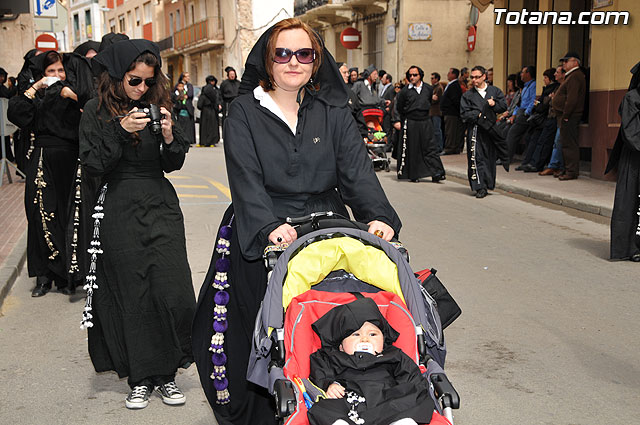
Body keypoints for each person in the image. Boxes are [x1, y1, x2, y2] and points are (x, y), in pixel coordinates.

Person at [191, 18, 402, 425]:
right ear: (268, 61)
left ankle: (328, 404)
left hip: (324, 224)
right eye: (282, 54)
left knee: (328, 320)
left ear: (315, 61)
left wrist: (378, 217)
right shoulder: (243, 112)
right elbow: (245, 178)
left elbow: (357, 172)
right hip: (263, 222)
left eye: (303, 54)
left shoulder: (333, 110)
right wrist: (269, 225)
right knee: (259, 327)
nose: (293, 62)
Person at [79, 39, 195, 409]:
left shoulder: (157, 107)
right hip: (118, 206)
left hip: (159, 203)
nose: (142, 88)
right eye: (134, 81)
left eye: (148, 81)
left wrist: (167, 135)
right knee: (133, 294)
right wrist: (119, 128)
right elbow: (93, 163)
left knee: (172, 287)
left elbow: (172, 162)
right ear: (116, 77)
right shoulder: (94, 111)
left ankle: (168, 372)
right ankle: (143, 378)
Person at [7, 51, 80, 296]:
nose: (57, 76)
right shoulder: (35, 95)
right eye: (51, 71)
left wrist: (74, 97)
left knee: (68, 214)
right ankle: (43, 276)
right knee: (40, 214)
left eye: (61, 70)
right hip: (43, 158)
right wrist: (37, 86)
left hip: (70, 160)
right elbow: (16, 114)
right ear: (42, 74)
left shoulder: (75, 90)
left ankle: (68, 275)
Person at [306, 298, 435, 425]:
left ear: (383, 340)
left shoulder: (393, 355)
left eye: (373, 334)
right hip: (348, 400)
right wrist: (330, 384)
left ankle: (401, 421)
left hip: (387, 400)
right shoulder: (332, 356)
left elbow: (411, 376)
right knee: (321, 408)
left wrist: (403, 391)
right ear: (341, 345)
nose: (365, 339)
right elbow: (319, 372)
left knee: (418, 395)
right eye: (356, 335)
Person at [605, 61, 640, 262]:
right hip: (635, 159)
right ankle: (629, 248)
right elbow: (631, 132)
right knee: (631, 203)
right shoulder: (632, 98)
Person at [460, 65, 508, 198]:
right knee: (476, 157)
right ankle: (479, 186)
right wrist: (478, 115)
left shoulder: (495, 91)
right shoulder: (468, 95)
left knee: (489, 157)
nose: (474, 80)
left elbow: (503, 106)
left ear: (484, 77)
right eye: (472, 77)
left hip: (490, 129)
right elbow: (464, 113)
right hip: (476, 129)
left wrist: (494, 105)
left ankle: (488, 183)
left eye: (477, 77)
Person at [393, 66, 445, 182]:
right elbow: (399, 107)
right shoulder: (404, 92)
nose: (412, 77)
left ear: (420, 75)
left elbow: (429, 102)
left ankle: (436, 172)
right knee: (413, 148)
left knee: (430, 146)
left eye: (415, 75)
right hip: (411, 121)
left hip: (425, 120)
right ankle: (414, 174)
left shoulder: (428, 88)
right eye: (410, 75)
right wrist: (398, 121)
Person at [551, 52, 586, 180]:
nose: (564, 63)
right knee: (564, 143)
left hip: (570, 116)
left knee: (569, 144)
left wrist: (566, 114)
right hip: (566, 115)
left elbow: (572, 98)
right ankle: (566, 169)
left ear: (575, 62)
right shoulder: (571, 76)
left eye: (566, 61)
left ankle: (571, 171)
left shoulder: (575, 76)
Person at [519, 67, 560, 173]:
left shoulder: (554, 89)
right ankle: (529, 162)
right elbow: (538, 104)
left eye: (545, 77)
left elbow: (542, 106)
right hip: (541, 119)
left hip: (547, 118)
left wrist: (539, 104)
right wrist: (539, 104)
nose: (544, 80)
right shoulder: (546, 89)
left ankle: (536, 164)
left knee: (543, 142)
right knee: (532, 139)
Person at [508, 65, 536, 167]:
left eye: (523, 72)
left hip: (526, 114)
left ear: (528, 74)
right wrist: (514, 115)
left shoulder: (533, 85)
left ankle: (507, 158)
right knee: (503, 128)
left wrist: (526, 113)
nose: (521, 75)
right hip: (519, 112)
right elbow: (519, 104)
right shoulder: (525, 87)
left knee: (512, 133)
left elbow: (533, 101)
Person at [337, 62, 368, 138]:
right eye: (344, 73)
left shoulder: (351, 93)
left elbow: (358, 114)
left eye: (348, 73)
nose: (347, 75)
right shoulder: (329, 92)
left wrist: (363, 134)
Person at [441, 67, 464, 154]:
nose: (448, 74)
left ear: (454, 75)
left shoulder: (454, 85)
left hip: (452, 113)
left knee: (451, 131)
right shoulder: (450, 84)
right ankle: (451, 147)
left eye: (450, 73)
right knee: (449, 130)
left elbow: (455, 100)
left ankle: (450, 148)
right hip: (448, 112)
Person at [198, 75, 222, 147]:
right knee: (212, 126)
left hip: (204, 110)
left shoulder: (204, 88)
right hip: (211, 109)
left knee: (204, 126)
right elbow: (216, 99)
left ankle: (203, 141)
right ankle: (211, 141)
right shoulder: (213, 90)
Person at [175, 72, 195, 144]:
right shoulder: (178, 84)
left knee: (188, 125)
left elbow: (190, 95)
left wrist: (185, 95)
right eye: (186, 76)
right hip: (180, 108)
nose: (188, 78)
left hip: (188, 107)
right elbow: (176, 95)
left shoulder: (189, 85)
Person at [219, 66, 240, 130]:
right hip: (227, 104)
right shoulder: (224, 84)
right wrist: (220, 103)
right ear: (228, 75)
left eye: (233, 74)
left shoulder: (238, 83)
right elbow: (220, 94)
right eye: (231, 74)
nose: (232, 76)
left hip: (237, 104)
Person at [429, 72, 444, 152]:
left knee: (437, 130)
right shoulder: (432, 87)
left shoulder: (439, 88)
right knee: (432, 131)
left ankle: (439, 147)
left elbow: (436, 100)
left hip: (436, 112)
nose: (431, 80)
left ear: (436, 79)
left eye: (432, 78)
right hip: (431, 112)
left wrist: (429, 98)